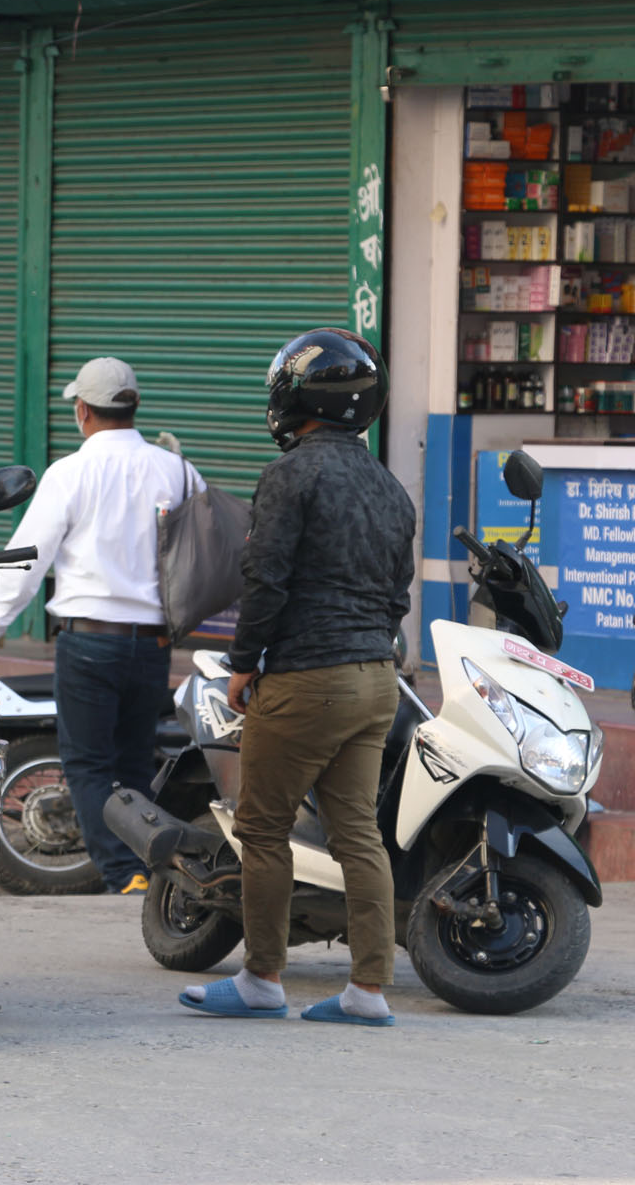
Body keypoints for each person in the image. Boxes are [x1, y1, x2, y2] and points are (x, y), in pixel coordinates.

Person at [180, 328, 415, 1028]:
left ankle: (262, 979)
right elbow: (397, 593)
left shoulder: (290, 476)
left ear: (298, 398)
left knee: (261, 828)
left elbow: (266, 578)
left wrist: (243, 663)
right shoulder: (390, 488)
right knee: (358, 835)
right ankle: (368, 991)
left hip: (308, 677)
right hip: (377, 679)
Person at [0, 357, 203, 896]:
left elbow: (27, 558)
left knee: (86, 763)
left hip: (89, 644)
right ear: (134, 406)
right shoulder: (177, 471)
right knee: (134, 762)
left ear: (82, 410)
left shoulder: (70, 473)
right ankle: (142, 867)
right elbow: (207, 548)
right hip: (152, 645)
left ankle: (122, 872)